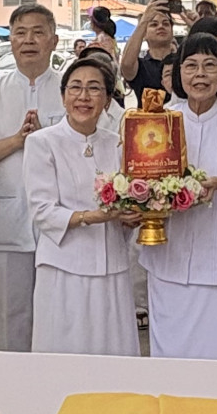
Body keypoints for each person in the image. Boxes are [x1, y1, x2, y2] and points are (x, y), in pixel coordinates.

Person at [138, 30, 217, 359]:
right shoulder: (158, 121)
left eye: (210, 65)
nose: (200, 74)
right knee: (173, 355)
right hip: (171, 260)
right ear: (178, 73)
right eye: (191, 65)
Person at [0, 3, 66, 349]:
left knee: (59, 319)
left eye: (38, 32)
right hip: (7, 223)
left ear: (53, 40)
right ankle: (16, 398)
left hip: (61, 225)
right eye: (20, 33)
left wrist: (47, 140)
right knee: (10, 319)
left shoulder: (73, 90)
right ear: (11, 40)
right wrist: (17, 141)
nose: (29, 40)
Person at [24, 60, 139, 357]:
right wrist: (93, 217)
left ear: (107, 100)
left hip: (111, 266)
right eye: (75, 87)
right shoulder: (42, 143)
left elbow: (127, 201)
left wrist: (131, 217)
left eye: (94, 89)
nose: (83, 97)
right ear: (63, 97)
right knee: (64, 353)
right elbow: (42, 210)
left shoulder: (119, 145)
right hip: (64, 268)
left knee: (112, 353)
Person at [119, 0, 180, 105]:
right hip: (148, 121)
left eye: (166, 24)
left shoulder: (182, 63)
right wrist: (144, 20)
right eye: (154, 24)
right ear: (144, 34)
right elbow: (126, 64)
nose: (160, 27)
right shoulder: (141, 66)